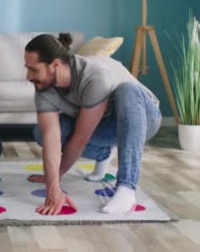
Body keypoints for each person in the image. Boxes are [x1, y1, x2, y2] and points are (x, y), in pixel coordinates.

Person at [24, 33, 162, 215]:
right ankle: (104, 154)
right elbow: (51, 136)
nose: (28, 76)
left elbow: (81, 139)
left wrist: (55, 180)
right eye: (27, 69)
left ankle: (127, 188)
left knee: (126, 90)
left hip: (144, 117)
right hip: (106, 124)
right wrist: (53, 185)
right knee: (40, 133)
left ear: (55, 65)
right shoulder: (44, 88)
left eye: (33, 69)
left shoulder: (94, 75)